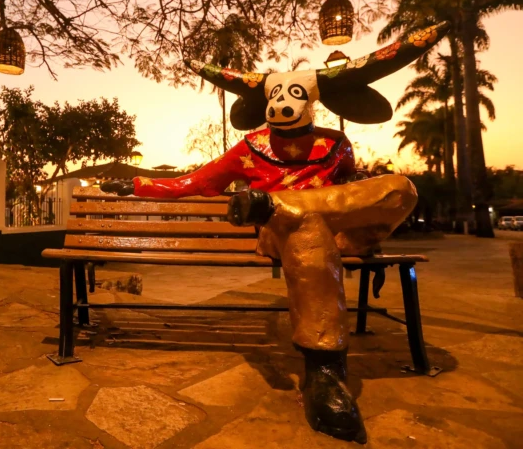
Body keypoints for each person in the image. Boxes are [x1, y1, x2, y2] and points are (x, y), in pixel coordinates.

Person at [102, 23, 449, 445]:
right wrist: (139, 184)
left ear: (313, 102)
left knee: (399, 187)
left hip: (342, 231)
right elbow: (196, 181)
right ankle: (324, 371)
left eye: (295, 94)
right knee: (308, 232)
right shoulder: (250, 149)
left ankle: (275, 203)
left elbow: (349, 192)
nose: (283, 102)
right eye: (276, 95)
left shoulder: (336, 145)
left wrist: (311, 204)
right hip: (285, 237)